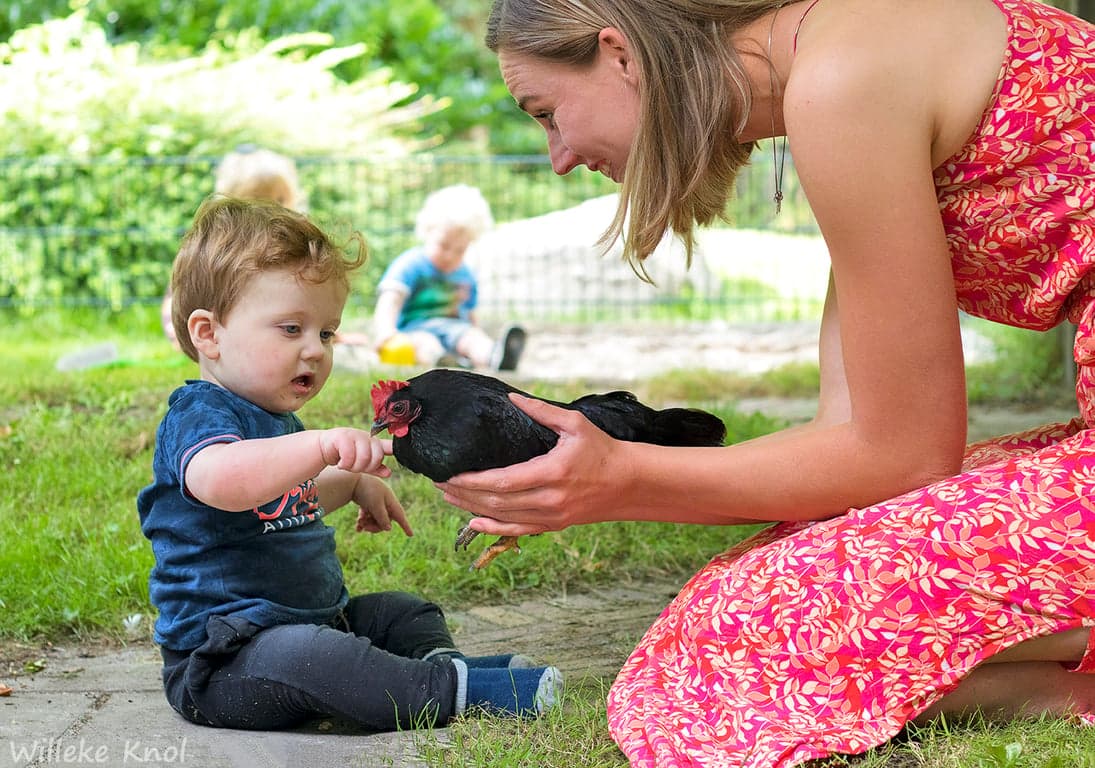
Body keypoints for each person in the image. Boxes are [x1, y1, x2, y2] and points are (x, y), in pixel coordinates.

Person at [437, 0, 1095, 765]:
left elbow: (904, 456)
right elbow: (854, 444)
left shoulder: (843, 81)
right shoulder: (843, 55)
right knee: (737, 599)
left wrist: (621, 479)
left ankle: (1062, 690)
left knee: (748, 624)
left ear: (619, 55)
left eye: (545, 113)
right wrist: (603, 481)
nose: (557, 155)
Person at [138, 196, 562, 732]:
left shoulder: (274, 421)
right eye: (290, 329)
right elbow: (223, 481)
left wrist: (355, 483)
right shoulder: (199, 414)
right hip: (225, 661)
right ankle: (452, 692)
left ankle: (438, 669)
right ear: (209, 334)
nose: (316, 350)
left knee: (404, 612)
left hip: (314, 623)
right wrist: (319, 446)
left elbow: (291, 499)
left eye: (326, 333)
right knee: (316, 657)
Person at [160, 146, 308, 349]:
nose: (272, 208)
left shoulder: (293, 244)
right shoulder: (218, 245)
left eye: (280, 199)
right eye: (259, 199)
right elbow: (179, 297)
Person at [372, 184, 526, 370]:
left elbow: (470, 314)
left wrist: (475, 332)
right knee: (426, 344)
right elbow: (390, 299)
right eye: (443, 246)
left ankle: (495, 357)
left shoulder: (465, 274)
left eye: (460, 250)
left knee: (472, 337)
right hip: (415, 330)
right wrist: (385, 331)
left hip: (455, 329)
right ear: (427, 231)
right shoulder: (410, 264)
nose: (450, 256)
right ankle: (443, 363)